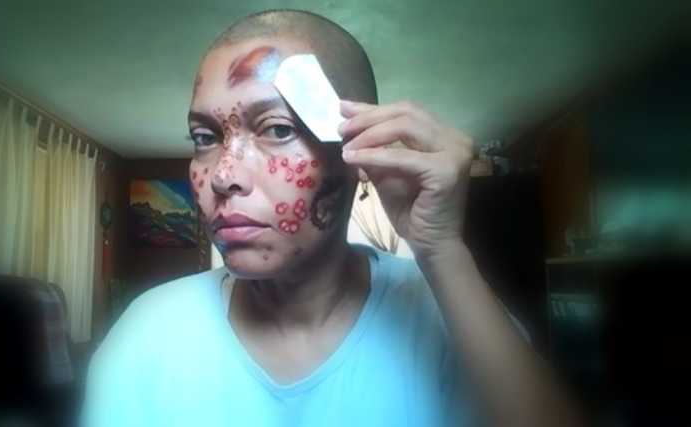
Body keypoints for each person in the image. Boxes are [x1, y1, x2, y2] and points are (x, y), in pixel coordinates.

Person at [82, 9, 583, 427]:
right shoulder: (147, 334)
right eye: (205, 138)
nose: (223, 175)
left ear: (359, 151)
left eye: (277, 129)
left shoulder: (444, 317)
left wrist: (441, 249)